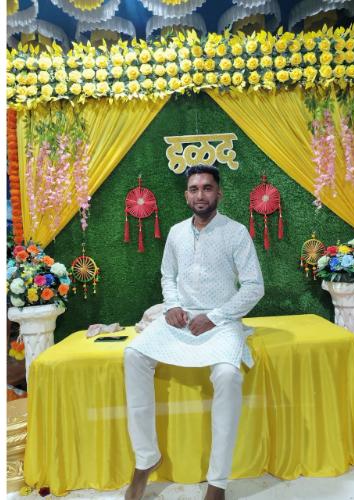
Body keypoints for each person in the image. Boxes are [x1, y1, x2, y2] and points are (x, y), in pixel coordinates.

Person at [124, 165, 264, 500]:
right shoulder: (176, 233)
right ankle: (146, 459)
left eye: (207, 188)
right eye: (194, 189)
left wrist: (215, 316)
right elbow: (167, 276)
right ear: (186, 195)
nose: (200, 195)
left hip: (222, 322)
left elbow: (254, 287)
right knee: (133, 355)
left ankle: (218, 482)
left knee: (228, 376)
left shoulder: (235, 232)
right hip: (179, 320)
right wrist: (172, 305)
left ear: (219, 193)